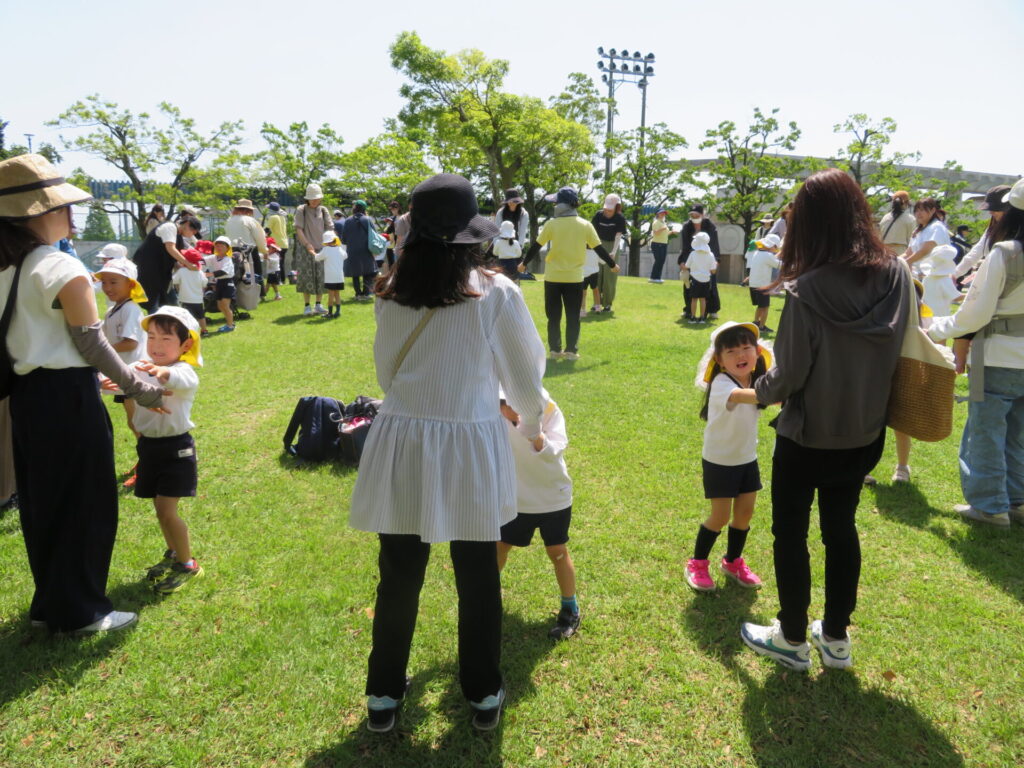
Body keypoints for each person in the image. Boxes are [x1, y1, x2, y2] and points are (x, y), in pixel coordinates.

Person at [350, 173, 547, 733]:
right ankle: (482, 692)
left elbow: (386, 374)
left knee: (398, 575)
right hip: (470, 442)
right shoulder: (495, 292)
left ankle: (383, 694)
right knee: (478, 574)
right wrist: (533, 425)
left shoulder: (390, 289)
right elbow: (526, 380)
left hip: (403, 439)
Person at [740, 168, 911, 672]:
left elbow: (788, 377)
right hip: (865, 431)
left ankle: (792, 637)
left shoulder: (806, 288)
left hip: (806, 435)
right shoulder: (897, 274)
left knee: (790, 533)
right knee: (841, 529)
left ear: (808, 221)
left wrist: (754, 391)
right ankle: (836, 638)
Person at [0, 153, 165, 633]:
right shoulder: (60, 266)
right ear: (39, 212)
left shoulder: (8, 267)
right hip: (66, 398)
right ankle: (81, 611)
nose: (70, 214)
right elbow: (91, 343)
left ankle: (50, 605)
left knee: (43, 503)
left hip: (26, 397)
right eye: (62, 205)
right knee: (85, 502)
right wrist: (143, 390)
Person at [928, 178, 1024, 528]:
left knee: (984, 433)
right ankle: (1018, 501)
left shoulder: (1005, 253)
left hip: (994, 354)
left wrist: (934, 329)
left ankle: (990, 506)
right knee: (1019, 435)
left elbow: (974, 315)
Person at [686, 322, 773, 593]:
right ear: (720, 360)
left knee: (744, 514)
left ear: (757, 352)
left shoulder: (756, 380)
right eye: (731, 351)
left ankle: (733, 562)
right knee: (720, 516)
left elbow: (764, 395)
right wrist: (782, 389)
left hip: (747, 458)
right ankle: (697, 563)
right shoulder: (723, 383)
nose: (740, 355)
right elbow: (747, 397)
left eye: (746, 348)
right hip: (720, 461)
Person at [123, 306, 204, 594]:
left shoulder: (183, 371)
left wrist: (163, 372)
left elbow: (181, 379)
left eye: (166, 339)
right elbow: (120, 379)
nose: (156, 345)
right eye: (152, 337)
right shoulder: (142, 366)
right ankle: (173, 552)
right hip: (148, 447)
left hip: (176, 450)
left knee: (168, 512)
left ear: (186, 345)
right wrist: (103, 382)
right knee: (159, 509)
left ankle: (188, 564)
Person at [496, 390, 580, 639]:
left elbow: (556, 448)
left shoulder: (547, 407)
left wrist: (534, 432)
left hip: (553, 495)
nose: (510, 409)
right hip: (516, 497)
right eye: (504, 403)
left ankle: (570, 608)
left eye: (516, 403)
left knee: (557, 551)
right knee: (500, 546)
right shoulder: (493, 412)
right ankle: (488, 597)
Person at [535, 187, 618, 360]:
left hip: (552, 278)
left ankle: (555, 350)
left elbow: (536, 246)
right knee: (573, 316)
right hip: (574, 279)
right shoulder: (585, 225)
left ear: (561, 204)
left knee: (553, 317)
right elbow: (599, 248)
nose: (554, 205)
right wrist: (612, 265)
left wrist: (522, 264)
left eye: (556, 202)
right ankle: (571, 351)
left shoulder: (551, 224)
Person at [95, 257, 148, 483]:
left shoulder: (131, 310)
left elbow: (130, 343)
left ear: (131, 284)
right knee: (133, 421)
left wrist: (100, 350)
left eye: (114, 282)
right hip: (122, 374)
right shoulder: (113, 310)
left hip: (133, 375)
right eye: (104, 282)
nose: (107, 287)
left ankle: (149, 465)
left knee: (138, 423)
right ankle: (144, 461)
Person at [134, 213, 202, 313]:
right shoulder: (170, 227)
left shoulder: (179, 236)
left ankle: (175, 320)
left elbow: (173, 257)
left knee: (172, 303)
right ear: (187, 224)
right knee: (154, 304)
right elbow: (170, 248)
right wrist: (188, 264)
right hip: (149, 270)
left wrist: (182, 266)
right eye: (193, 231)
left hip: (163, 274)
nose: (192, 235)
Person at [293, 183, 331, 316]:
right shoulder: (301, 209)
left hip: (322, 248)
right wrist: (307, 244)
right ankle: (307, 306)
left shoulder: (323, 210)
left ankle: (319, 304)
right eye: (312, 198)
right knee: (306, 277)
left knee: (321, 277)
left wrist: (331, 243)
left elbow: (330, 228)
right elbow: (298, 229)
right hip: (305, 249)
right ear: (307, 199)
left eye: (317, 198)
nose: (314, 201)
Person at [679, 204, 721, 320]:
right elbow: (685, 246)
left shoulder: (710, 226)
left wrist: (716, 260)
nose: (694, 217)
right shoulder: (687, 227)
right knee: (689, 286)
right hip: (692, 259)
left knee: (710, 286)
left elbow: (714, 245)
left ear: (702, 215)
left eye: (696, 215)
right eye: (692, 215)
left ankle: (712, 310)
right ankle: (688, 310)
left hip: (707, 258)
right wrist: (682, 261)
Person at [591, 194, 626, 313]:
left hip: (612, 245)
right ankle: (596, 303)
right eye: (606, 208)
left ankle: (607, 303)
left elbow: (618, 236)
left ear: (617, 207)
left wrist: (613, 252)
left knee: (609, 276)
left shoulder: (620, 218)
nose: (607, 211)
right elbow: (592, 232)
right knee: (597, 273)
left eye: (610, 209)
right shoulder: (598, 215)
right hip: (598, 244)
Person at [341, 200, 379, 302]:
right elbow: (375, 235)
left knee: (355, 273)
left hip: (352, 250)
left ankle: (358, 294)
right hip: (366, 249)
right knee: (368, 272)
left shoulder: (348, 220)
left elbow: (343, 239)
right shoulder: (367, 219)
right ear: (364, 209)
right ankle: (366, 293)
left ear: (354, 208)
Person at [224, 199, 268, 284]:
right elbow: (260, 237)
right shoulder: (250, 220)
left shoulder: (229, 220)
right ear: (249, 210)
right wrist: (264, 250)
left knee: (235, 275)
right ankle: (256, 291)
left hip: (232, 251)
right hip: (249, 251)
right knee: (254, 275)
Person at [746, 234, 781, 334]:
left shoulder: (757, 253)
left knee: (760, 306)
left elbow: (772, 259)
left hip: (753, 284)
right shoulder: (768, 256)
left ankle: (756, 322)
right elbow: (779, 265)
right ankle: (761, 327)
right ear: (772, 245)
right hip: (762, 286)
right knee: (765, 307)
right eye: (776, 247)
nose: (776, 249)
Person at [682, 232, 717, 323]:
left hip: (694, 279)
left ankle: (693, 317)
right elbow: (713, 271)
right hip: (706, 280)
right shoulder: (711, 254)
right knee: (703, 299)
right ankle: (702, 318)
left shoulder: (693, 254)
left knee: (694, 299)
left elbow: (687, 266)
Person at [172, 247, 209, 334]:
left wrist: (175, 270)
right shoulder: (200, 272)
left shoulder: (182, 271)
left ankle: (188, 332)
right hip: (198, 299)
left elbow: (174, 280)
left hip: (185, 299)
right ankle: (204, 331)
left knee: (187, 317)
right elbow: (205, 283)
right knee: (201, 316)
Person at [205, 235, 237, 333]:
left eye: (222, 246)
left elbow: (223, 272)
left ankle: (230, 325)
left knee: (225, 305)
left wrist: (209, 274)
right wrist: (193, 263)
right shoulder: (213, 257)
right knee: (220, 306)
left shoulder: (227, 259)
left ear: (227, 248)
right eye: (217, 246)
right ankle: (229, 322)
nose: (219, 248)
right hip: (219, 283)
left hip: (227, 283)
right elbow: (202, 261)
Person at [316, 229, 346, 318]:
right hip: (339, 277)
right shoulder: (340, 249)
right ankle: (338, 311)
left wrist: (313, 253)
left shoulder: (326, 250)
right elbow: (345, 256)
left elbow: (317, 258)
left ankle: (330, 313)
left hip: (330, 278)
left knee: (331, 295)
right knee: (337, 294)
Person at [878, 191, 916, 255]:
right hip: (901, 252)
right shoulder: (910, 219)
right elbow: (911, 240)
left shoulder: (885, 218)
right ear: (906, 203)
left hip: (885, 252)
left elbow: (880, 237)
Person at [265, 201, 290, 285]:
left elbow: (267, 230)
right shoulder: (282, 217)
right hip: (284, 243)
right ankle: (282, 280)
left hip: (276, 244)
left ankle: (278, 280)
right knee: (281, 263)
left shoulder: (272, 217)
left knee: (276, 263)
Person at [649, 209, 670, 283]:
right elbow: (656, 233)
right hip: (657, 244)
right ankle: (653, 278)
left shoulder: (663, 222)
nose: (663, 214)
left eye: (664, 213)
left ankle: (657, 278)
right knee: (658, 260)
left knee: (661, 261)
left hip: (664, 243)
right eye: (661, 213)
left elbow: (665, 233)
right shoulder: (656, 222)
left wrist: (672, 232)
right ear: (658, 214)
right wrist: (663, 229)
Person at [263, 228, 283, 301]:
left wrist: (268, 258)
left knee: (268, 285)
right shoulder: (270, 255)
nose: (268, 249)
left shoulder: (275, 255)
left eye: (269, 248)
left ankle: (263, 296)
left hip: (274, 272)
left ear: (274, 249)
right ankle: (277, 295)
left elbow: (275, 261)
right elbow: (263, 257)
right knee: (272, 285)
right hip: (271, 272)